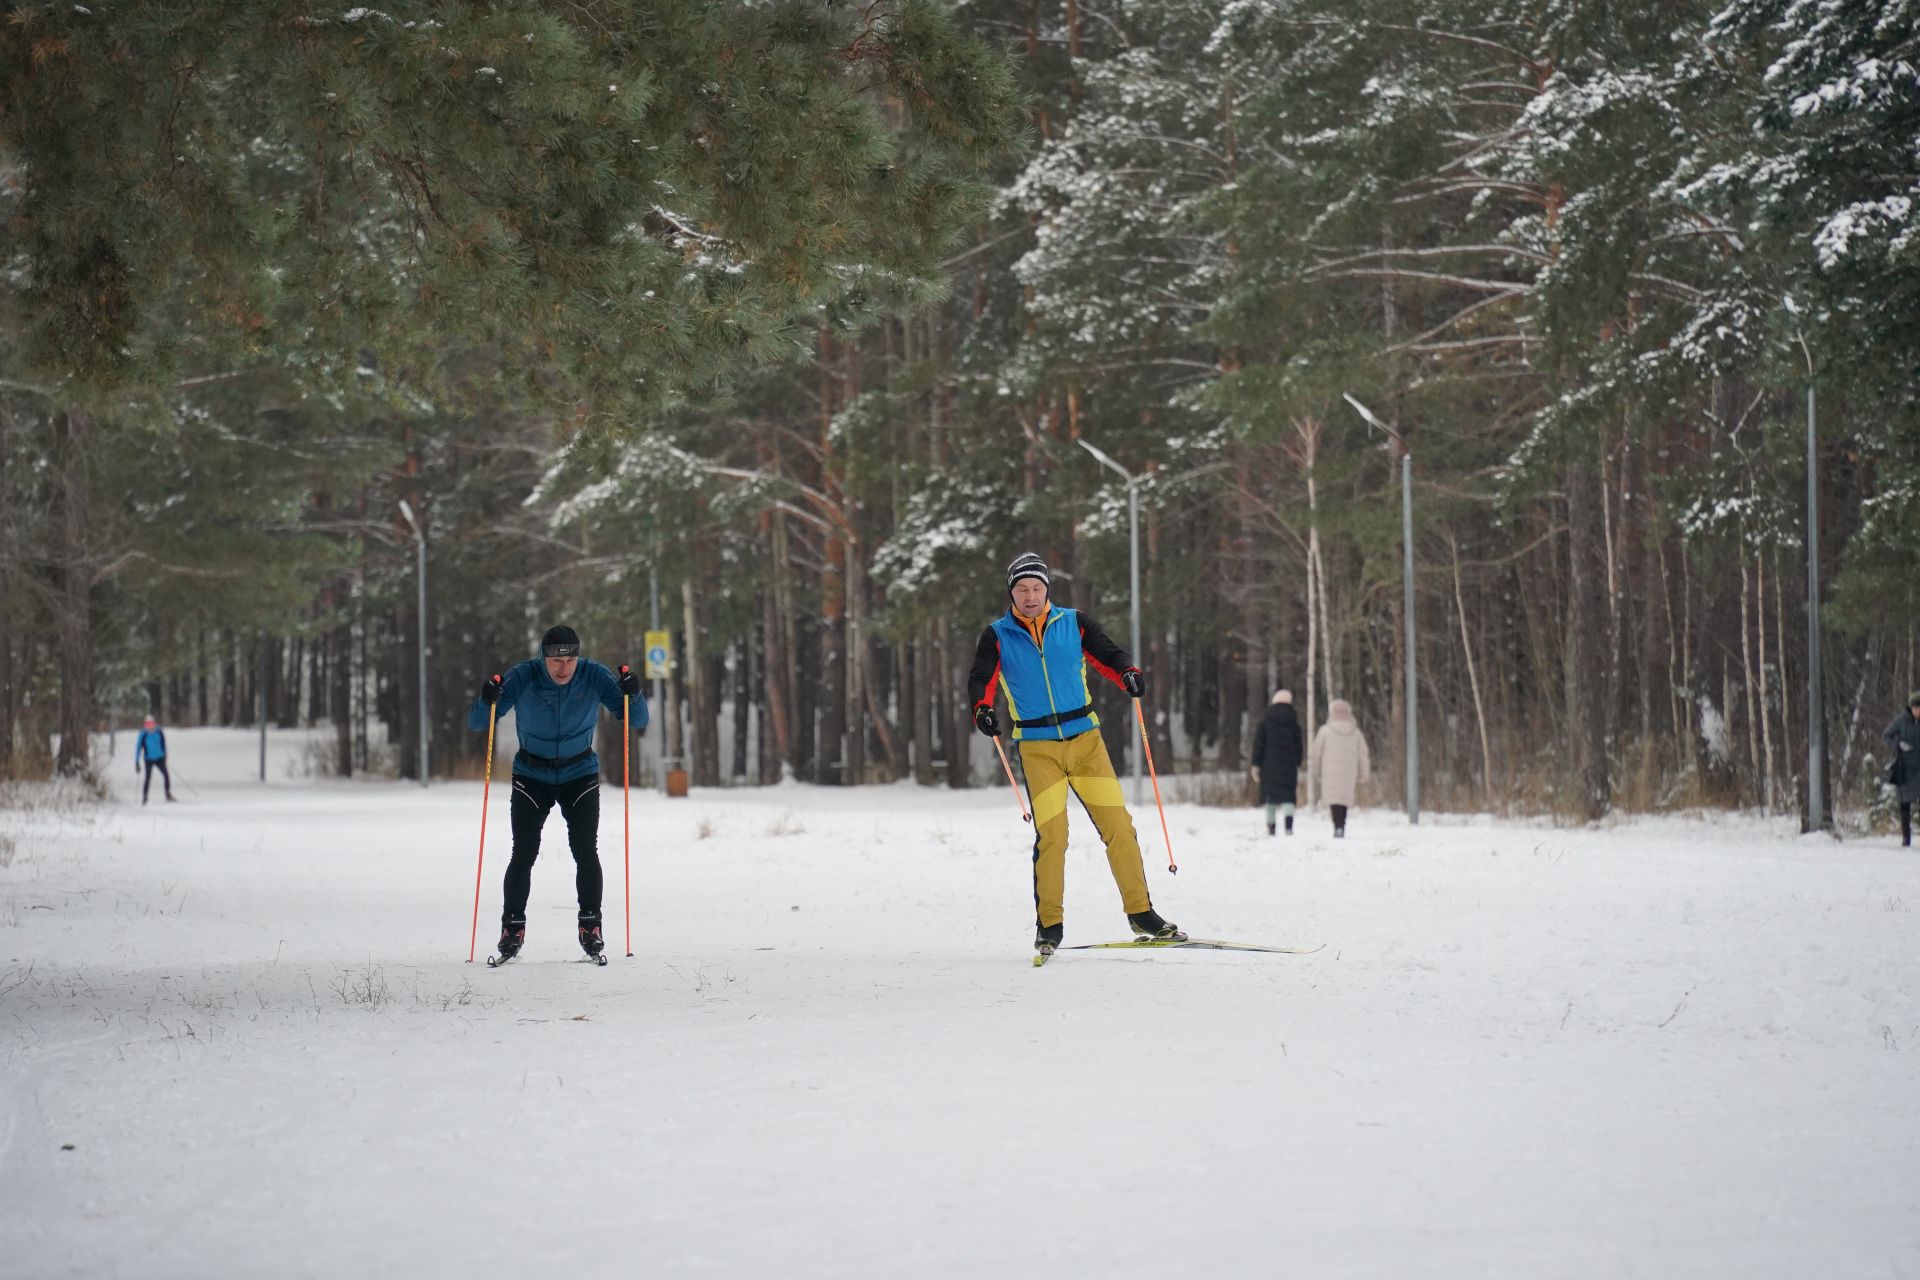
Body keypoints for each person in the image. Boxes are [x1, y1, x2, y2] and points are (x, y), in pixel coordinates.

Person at [966, 551, 1181, 955]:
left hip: (1086, 743)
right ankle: (1050, 924)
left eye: (1036, 588)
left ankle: (1141, 913)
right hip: (1037, 748)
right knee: (1053, 836)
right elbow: (981, 679)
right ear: (1011, 593)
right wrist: (982, 709)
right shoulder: (996, 635)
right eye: (1022, 589)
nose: (1030, 596)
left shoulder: (1075, 623)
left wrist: (1129, 674)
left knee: (1119, 827)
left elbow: (1110, 656)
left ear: (1047, 589)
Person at [469, 625, 647, 961]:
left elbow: (635, 720)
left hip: (579, 773)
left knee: (585, 850)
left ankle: (590, 925)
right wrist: (486, 699)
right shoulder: (524, 676)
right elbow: (480, 722)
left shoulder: (594, 675)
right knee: (523, 852)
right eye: (555, 660)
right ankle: (512, 929)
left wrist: (633, 693)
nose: (563, 668)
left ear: (578, 657)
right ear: (543, 657)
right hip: (531, 774)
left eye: (570, 660)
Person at [1308, 698, 1371, 838]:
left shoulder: (1325, 731)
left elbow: (1316, 753)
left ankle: (1337, 825)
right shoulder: (1356, 733)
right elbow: (1363, 754)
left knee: (1334, 798)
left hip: (1329, 772)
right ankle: (1341, 824)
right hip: (1349, 772)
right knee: (1344, 798)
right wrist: (1364, 773)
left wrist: (1316, 771)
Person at [1250, 689, 1304, 835]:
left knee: (1270, 797)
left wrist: (1256, 764)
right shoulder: (1294, 725)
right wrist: (1297, 762)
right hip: (1288, 766)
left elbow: (1258, 745)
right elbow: (1299, 746)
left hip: (1268, 766)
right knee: (1288, 796)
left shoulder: (1265, 723)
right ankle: (1288, 826)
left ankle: (1271, 826)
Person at [1884, 691, 1920, 847]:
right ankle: (1906, 838)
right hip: (1905, 768)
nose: (1918, 711)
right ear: (1910, 708)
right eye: (1915, 708)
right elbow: (1886, 735)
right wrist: (1898, 745)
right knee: (1904, 802)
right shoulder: (1901, 720)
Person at [133, 715, 174, 804]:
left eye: (151, 724)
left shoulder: (159, 732)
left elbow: (163, 744)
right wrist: (136, 761)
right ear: (145, 725)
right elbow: (138, 748)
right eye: (148, 724)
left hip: (159, 758)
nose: (150, 726)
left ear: (154, 723)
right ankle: (145, 796)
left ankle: (168, 794)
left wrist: (165, 756)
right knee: (147, 778)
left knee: (166, 775)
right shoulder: (143, 734)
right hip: (148, 759)